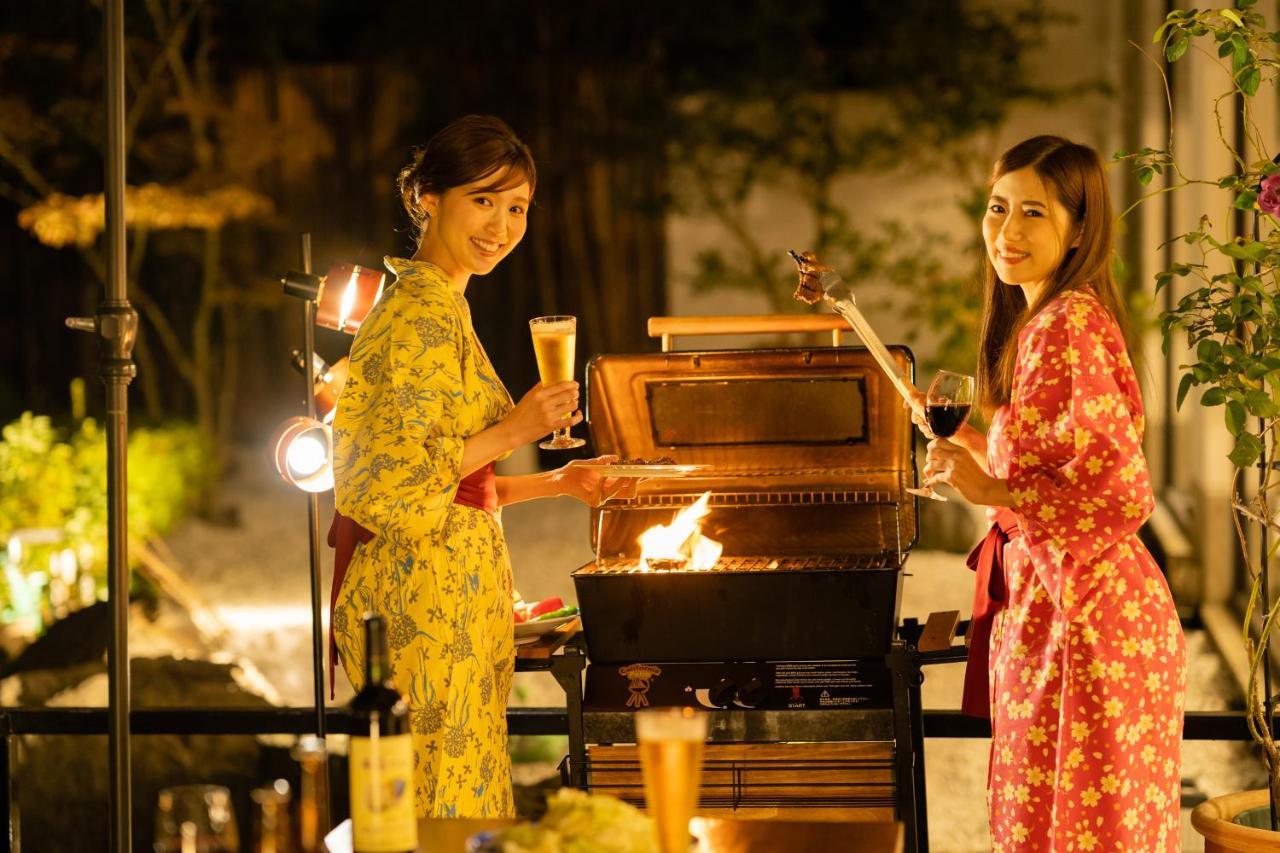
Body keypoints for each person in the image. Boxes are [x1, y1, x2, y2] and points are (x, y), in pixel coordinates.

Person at [328, 115, 628, 818]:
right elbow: (397, 487)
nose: (501, 224)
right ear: (428, 197)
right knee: (443, 814)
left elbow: (458, 483)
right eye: (483, 200)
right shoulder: (416, 316)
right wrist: (518, 425)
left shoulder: (445, 307)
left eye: (516, 206)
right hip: (421, 605)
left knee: (462, 804)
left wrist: (562, 480)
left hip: (453, 598)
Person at [917, 135, 1186, 850]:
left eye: (1033, 213)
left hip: (1090, 623)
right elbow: (1054, 468)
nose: (1007, 232)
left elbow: (1121, 491)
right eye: (998, 207)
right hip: (1062, 607)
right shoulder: (1046, 321)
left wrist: (991, 485)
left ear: (1077, 229)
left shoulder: (1066, 324)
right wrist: (974, 446)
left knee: (1077, 834)